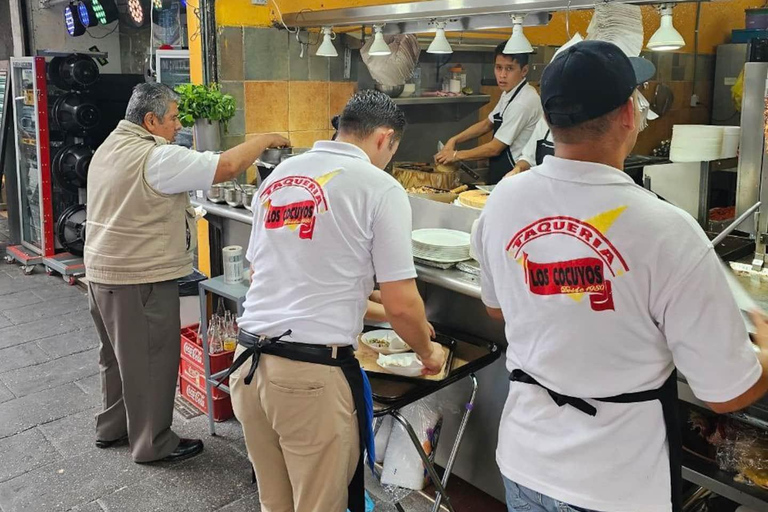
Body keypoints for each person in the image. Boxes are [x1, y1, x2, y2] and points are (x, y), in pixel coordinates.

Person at [472, 40, 768, 512]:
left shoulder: (502, 202)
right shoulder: (667, 231)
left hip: (524, 462)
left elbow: (496, 308)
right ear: (630, 113)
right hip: (615, 485)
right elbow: (729, 393)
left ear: (549, 121)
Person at [227, 90, 446, 512]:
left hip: (248, 365)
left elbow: (271, 274)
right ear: (384, 138)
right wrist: (428, 351)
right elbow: (403, 305)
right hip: (309, 381)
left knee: (277, 503)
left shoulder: (279, 177)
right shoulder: (380, 187)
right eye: (393, 149)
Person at [84, 82, 288, 464]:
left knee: (115, 357)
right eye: (173, 118)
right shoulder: (154, 157)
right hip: (137, 278)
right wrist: (261, 140)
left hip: (100, 274)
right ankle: (152, 443)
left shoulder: (111, 146)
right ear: (150, 120)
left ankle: (113, 428)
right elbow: (225, 166)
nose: (178, 125)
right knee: (150, 360)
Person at [434, 44, 542, 184]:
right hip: (502, 174)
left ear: (524, 70)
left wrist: (455, 155)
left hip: (517, 176)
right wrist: (454, 140)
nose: (502, 75)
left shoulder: (523, 102)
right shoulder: (510, 93)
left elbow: (494, 148)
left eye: (509, 68)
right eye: (498, 68)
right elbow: (487, 124)